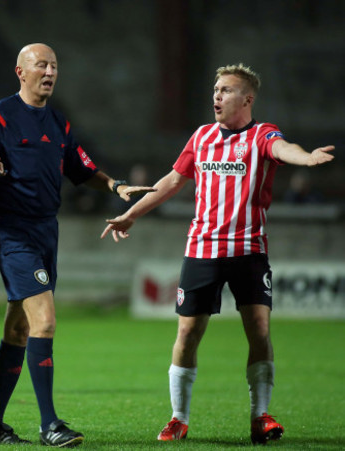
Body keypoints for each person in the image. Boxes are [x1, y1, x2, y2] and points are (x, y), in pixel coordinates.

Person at [101, 63, 335, 445]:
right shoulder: (202, 136)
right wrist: (130, 215)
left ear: (247, 99)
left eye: (225, 90)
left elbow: (282, 147)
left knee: (258, 331)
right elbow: (173, 181)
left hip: (249, 250)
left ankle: (260, 416)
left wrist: (305, 157)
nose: (217, 96)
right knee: (188, 332)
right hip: (202, 250)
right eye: (215, 89)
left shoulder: (262, 134)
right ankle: (178, 418)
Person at [0, 43, 154, 447]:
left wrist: (116, 185)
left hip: (46, 231)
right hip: (12, 230)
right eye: (41, 64)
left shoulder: (58, 123)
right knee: (44, 319)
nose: (49, 71)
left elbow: (83, 168)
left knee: (19, 327)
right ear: (20, 72)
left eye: (54, 65)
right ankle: (50, 426)